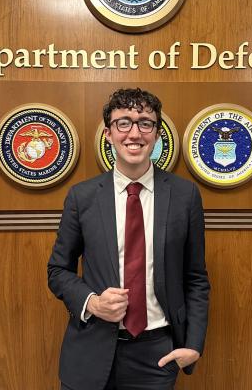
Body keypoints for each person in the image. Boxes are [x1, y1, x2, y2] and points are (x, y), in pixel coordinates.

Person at [48, 88, 210, 390]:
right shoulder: (82, 197)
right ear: (109, 134)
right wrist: (92, 302)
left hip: (157, 356)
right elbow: (58, 271)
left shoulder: (185, 196)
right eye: (124, 122)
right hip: (90, 350)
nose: (134, 133)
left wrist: (193, 344)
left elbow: (196, 277)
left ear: (157, 133)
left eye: (145, 123)